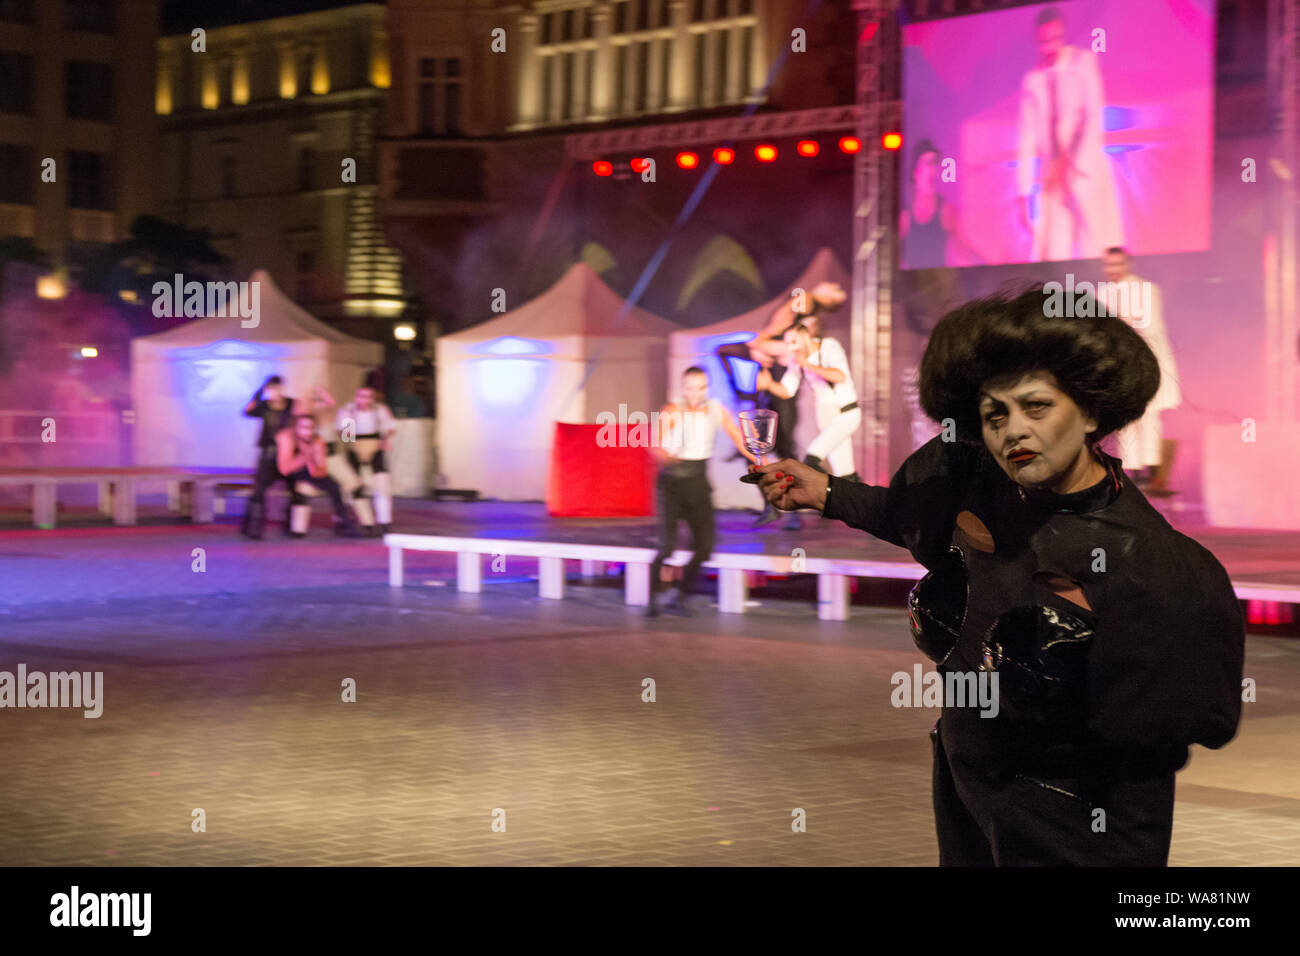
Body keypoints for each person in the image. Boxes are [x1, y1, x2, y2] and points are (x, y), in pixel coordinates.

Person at [754, 286, 1244, 866]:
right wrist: (827, 492)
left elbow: (1169, 732)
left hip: (1077, 826)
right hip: (967, 795)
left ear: (1089, 411)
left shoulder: (1151, 564)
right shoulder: (979, 487)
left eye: (1037, 407)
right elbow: (912, 517)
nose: (1013, 430)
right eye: (994, 415)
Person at [1016, 6, 1123, 262]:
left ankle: (1096, 301)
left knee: (1095, 248)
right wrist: (1022, 191)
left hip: (1084, 169)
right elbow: (1027, 136)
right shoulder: (1033, 79)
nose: (1050, 47)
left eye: (1055, 39)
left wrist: (1075, 163)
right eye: (1044, 41)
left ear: (1063, 35)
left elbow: (1094, 113)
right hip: (1052, 177)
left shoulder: (1083, 62)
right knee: (1052, 252)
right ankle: (1056, 300)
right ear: (1037, 40)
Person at [647, 367, 756, 617]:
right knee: (667, 547)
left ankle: (679, 595)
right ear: (683, 389)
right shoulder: (673, 410)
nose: (696, 393)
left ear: (707, 388)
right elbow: (655, 443)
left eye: (701, 387)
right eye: (691, 387)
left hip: (698, 482)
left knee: (705, 547)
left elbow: (737, 436)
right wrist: (665, 454)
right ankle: (653, 599)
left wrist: (757, 457)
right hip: (672, 484)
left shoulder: (716, 409)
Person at [1101, 247, 1181, 493]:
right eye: (1109, 265)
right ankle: (1131, 471)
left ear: (1127, 265)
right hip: (1121, 363)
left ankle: (1151, 469)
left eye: (1117, 264)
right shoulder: (1102, 294)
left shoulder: (1146, 291)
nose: (1113, 270)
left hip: (1147, 361)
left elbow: (1152, 328)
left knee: (1148, 416)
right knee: (1126, 420)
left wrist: (1128, 324)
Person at [757, 316, 862, 483]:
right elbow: (787, 390)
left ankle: (820, 497)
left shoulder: (828, 346)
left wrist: (806, 364)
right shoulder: (797, 360)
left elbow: (839, 376)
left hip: (845, 414)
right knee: (844, 471)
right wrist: (769, 384)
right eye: (788, 343)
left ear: (804, 337)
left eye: (793, 342)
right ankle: (855, 504)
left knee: (812, 458)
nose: (791, 348)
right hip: (827, 418)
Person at [276, 414, 362, 538]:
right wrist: (306, 456)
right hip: (293, 473)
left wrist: (314, 465)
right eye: (304, 427)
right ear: (297, 427)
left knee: (336, 488)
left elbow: (321, 468)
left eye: (310, 427)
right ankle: (295, 529)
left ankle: (346, 524)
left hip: (314, 469)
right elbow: (285, 469)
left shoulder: (319, 438)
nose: (307, 431)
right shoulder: (288, 439)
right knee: (298, 490)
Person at [240, 374, 300, 540]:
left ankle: (293, 527)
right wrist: (259, 392)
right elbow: (247, 411)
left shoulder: (291, 404)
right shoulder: (264, 406)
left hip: (288, 453)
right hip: (268, 453)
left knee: (295, 489)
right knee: (259, 491)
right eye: (272, 389)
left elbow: (301, 419)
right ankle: (254, 528)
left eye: (278, 388)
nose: (276, 392)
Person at [335, 386, 398, 535]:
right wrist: (351, 442)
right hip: (354, 447)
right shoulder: (348, 410)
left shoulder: (379, 410)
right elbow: (345, 436)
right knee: (353, 485)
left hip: (375, 447)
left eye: (367, 397)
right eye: (360, 396)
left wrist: (386, 440)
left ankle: (385, 522)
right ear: (355, 396)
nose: (363, 400)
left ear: (373, 398)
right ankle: (365, 522)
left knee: (382, 484)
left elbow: (391, 427)